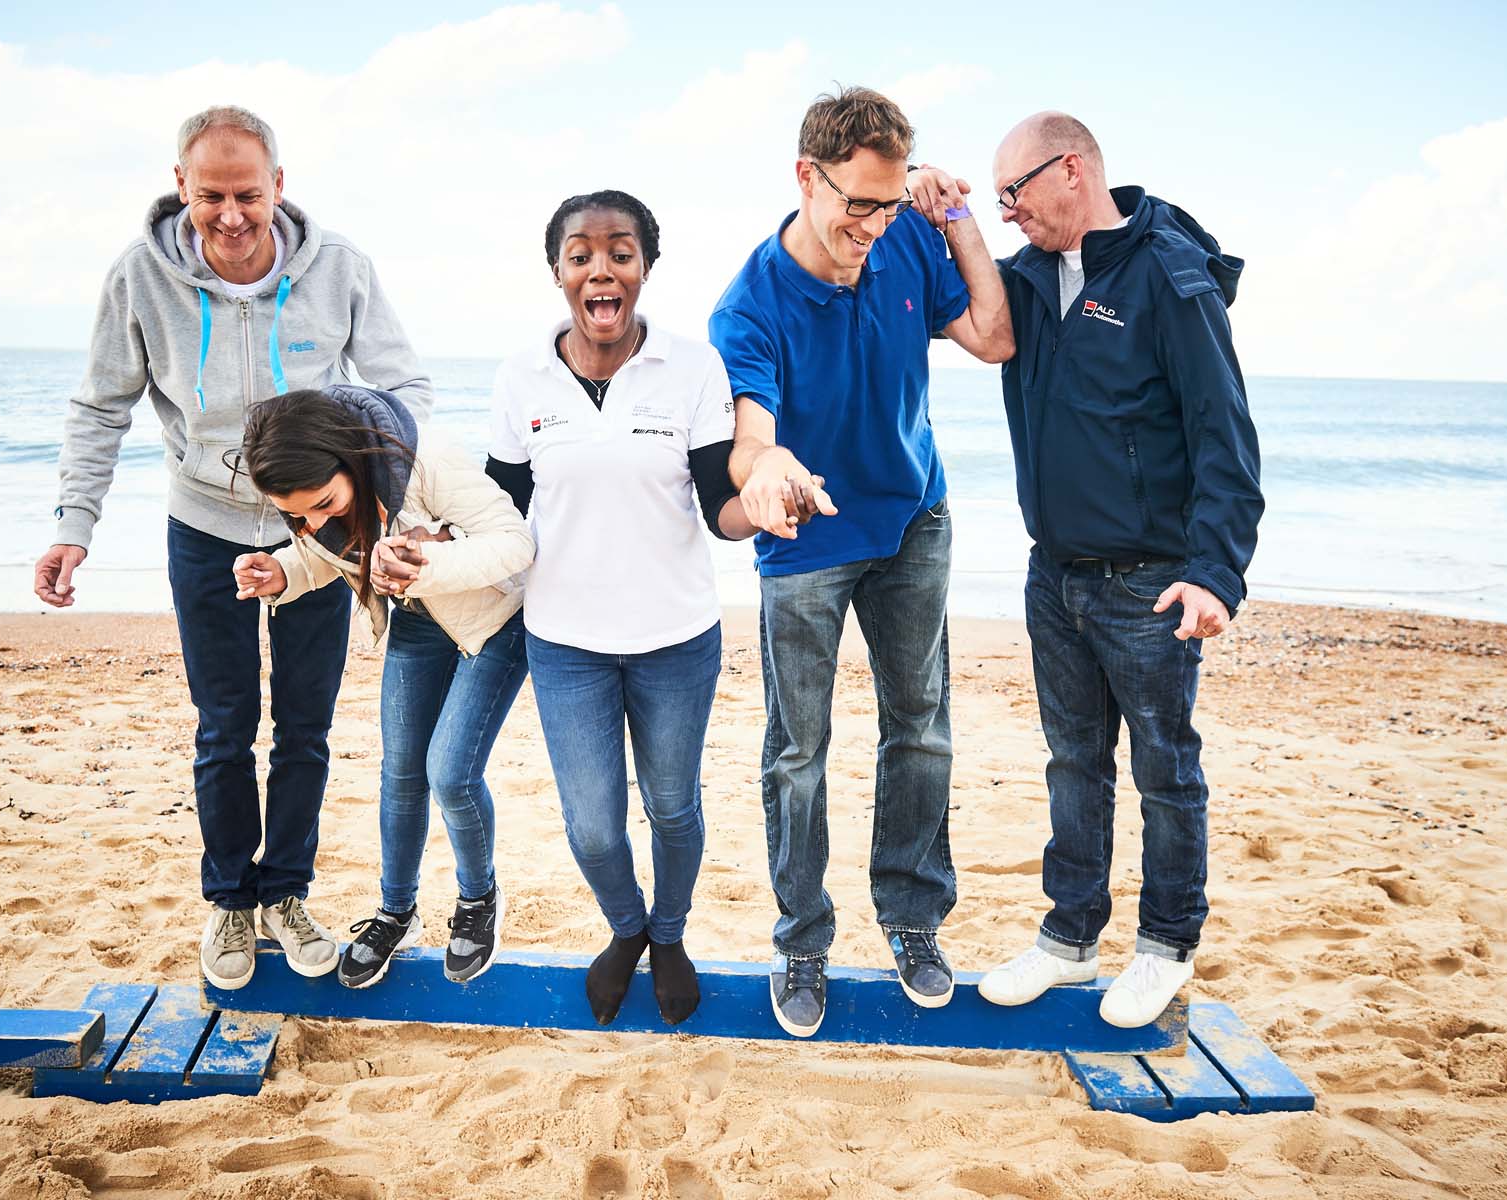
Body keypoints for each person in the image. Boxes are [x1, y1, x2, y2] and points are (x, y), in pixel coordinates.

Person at [33, 105, 435, 990]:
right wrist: (74, 525)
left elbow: (403, 386)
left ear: (278, 187)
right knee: (225, 727)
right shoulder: (140, 277)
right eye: (210, 195)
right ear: (181, 187)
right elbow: (100, 406)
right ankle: (229, 902)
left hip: (321, 537)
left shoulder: (340, 270)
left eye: (247, 193)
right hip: (204, 525)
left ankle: (286, 893)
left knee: (305, 727)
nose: (230, 215)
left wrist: (381, 501)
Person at [708, 86, 1011, 1037]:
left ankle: (913, 922)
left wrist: (950, 215)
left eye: (889, 203)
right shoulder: (749, 304)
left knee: (919, 729)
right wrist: (770, 470)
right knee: (797, 751)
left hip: (914, 521)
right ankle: (802, 939)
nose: (872, 227)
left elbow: (993, 337)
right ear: (807, 176)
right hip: (805, 542)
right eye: (857, 204)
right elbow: (748, 441)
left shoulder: (907, 240)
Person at [485, 190, 828, 1028]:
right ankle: (626, 928)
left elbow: (720, 507)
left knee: (673, 807)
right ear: (558, 271)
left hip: (675, 639)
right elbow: (496, 516)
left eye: (621, 251)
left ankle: (668, 936)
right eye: (580, 254)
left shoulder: (690, 369)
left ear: (643, 267)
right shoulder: (519, 377)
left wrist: (768, 506)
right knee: (595, 828)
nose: (601, 267)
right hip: (563, 642)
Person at [962, 112, 1263, 1028]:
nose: (1008, 210)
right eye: (999, 197)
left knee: (1165, 771)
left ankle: (1164, 947)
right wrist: (948, 214)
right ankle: (1067, 939)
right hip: (1053, 576)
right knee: (1073, 765)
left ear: (1073, 169)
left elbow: (1224, 428)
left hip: (1148, 581)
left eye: (1014, 191)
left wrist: (1216, 572)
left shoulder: (1166, 276)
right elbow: (964, 311)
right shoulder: (1023, 275)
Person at [230, 385, 533, 990]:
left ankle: (477, 900)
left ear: (348, 457)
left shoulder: (428, 461)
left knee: (450, 773)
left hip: (494, 623)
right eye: (297, 516)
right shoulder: (315, 508)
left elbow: (517, 541)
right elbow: (328, 553)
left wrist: (429, 566)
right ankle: (397, 911)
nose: (312, 521)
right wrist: (283, 570)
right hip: (417, 624)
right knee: (400, 774)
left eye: (323, 502)